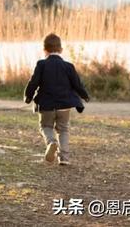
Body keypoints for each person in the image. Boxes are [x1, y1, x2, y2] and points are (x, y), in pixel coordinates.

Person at [24, 33, 89, 166]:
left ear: (44, 50)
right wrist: (84, 95)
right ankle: (64, 158)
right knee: (63, 129)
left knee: (45, 126)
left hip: (46, 105)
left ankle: (51, 142)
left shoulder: (41, 64)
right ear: (61, 50)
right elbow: (77, 84)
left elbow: (33, 83)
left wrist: (28, 97)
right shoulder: (68, 66)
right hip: (64, 105)